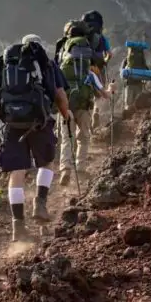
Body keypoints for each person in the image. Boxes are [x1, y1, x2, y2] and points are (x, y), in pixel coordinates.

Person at [0, 35, 71, 242]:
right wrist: (66, 115)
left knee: (16, 174)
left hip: (12, 125)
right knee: (47, 163)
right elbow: (60, 95)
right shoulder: (46, 64)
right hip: (39, 121)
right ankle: (40, 204)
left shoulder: (5, 64)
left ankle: (19, 227)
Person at [56, 21, 110, 186]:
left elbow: (56, 86)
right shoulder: (89, 66)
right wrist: (110, 89)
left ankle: (65, 169)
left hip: (66, 106)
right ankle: (80, 167)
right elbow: (103, 92)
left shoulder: (63, 60)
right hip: (85, 105)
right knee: (84, 137)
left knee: (67, 138)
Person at [81, 11, 113, 130]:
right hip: (98, 68)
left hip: (84, 67)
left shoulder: (81, 38)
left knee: (84, 91)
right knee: (99, 93)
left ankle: (86, 116)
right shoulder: (102, 38)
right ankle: (96, 111)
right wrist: (104, 61)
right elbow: (109, 54)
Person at [121, 40, 151, 113]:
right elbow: (147, 70)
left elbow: (122, 73)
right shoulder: (141, 60)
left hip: (129, 84)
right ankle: (136, 118)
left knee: (128, 104)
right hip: (139, 84)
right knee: (138, 104)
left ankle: (128, 117)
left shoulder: (127, 60)